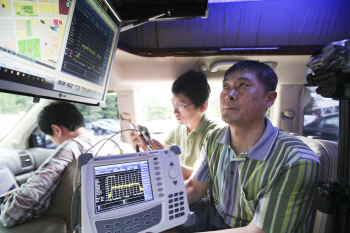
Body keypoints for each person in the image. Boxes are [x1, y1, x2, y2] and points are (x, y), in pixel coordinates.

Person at [170, 60, 321, 232]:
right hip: (213, 215)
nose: (229, 94)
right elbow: (194, 188)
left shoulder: (296, 161)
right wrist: (153, 210)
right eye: (226, 86)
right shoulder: (213, 139)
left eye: (243, 85)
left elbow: (257, 231)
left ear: (269, 99)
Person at [0, 101, 96, 227]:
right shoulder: (104, 144)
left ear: (56, 129)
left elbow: (12, 214)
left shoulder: (71, 147)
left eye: (50, 136)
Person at [132, 70, 221, 168]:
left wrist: (164, 157)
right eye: (173, 104)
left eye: (180, 106)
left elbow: (201, 179)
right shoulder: (177, 129)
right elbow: (162, 151)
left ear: (202, 107)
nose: (175, 111)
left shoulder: (215, 133)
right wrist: (145, 149)